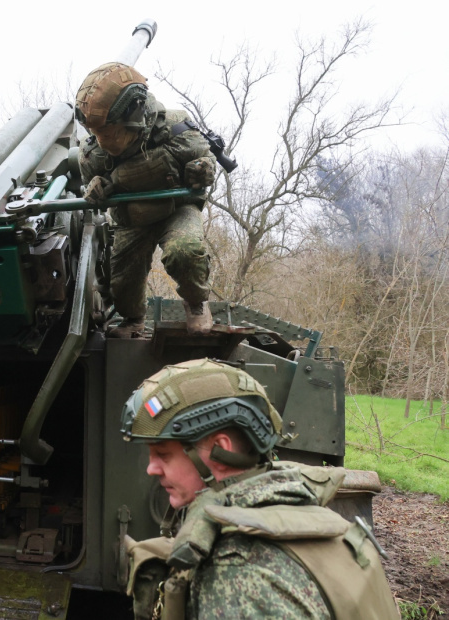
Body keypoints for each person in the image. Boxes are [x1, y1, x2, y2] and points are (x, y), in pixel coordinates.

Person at [120, 358, 399, 619]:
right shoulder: (300, 508)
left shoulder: (237, 572)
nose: (151, 469)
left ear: (220, 449)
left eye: (163, 454)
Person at [76, 62, 217, 337]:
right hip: (131, 218)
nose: (103, 141)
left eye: (110, 133)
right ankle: (133, 321)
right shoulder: (93, 153)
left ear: (134, 115)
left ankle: (196, 303)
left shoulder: (175, 129)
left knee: (185, 251)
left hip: (176, 209)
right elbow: (89, 185)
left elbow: (205, 159)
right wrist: (95, 188)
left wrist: (203, 169)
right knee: (122, 279)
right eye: (98, 133)